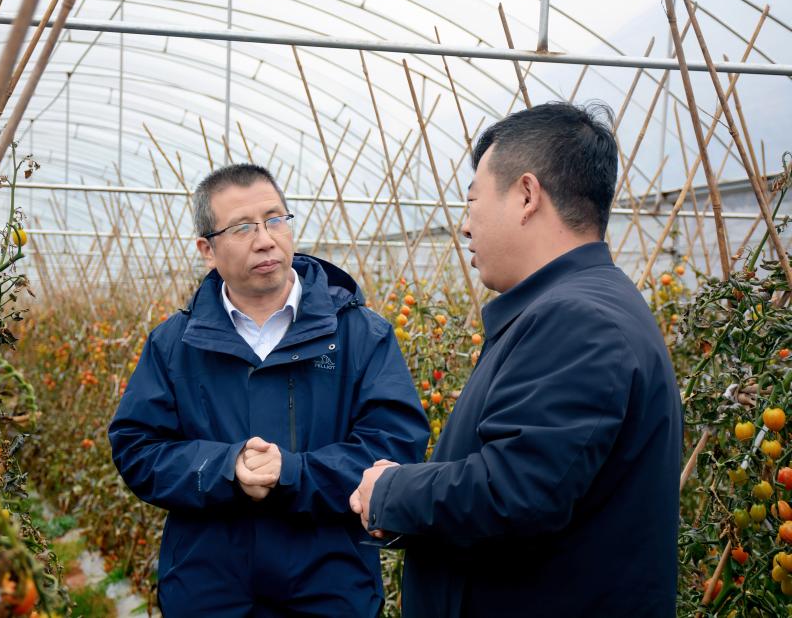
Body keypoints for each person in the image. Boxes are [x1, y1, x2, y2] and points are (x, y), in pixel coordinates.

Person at [350, 102, 682, 617]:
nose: (465, 227)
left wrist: (392, 491)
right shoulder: (574, 306)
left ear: (527, 195)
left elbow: (515, 492)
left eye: (472, 201)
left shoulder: (580, 320)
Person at [109, 163, 430, 617]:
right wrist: (225, 467)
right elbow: (138, 448)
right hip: (209, 591)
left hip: (329, 588)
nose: (265, 239)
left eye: (275, 219)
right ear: (207, 249)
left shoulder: (359, 335)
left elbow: (394, 446)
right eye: (242, 228)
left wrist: (293, 473)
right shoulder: (174, 344)